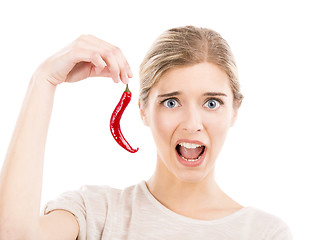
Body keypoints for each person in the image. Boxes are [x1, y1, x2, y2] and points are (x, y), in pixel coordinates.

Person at [0, 25, 293, 239]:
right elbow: (16, 236)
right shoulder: (97, 212)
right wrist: (43, 81)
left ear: (235, 111)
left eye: (212, 102)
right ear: (143, 109)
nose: (192, 123)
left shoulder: (265, 233)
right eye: (171, 102)